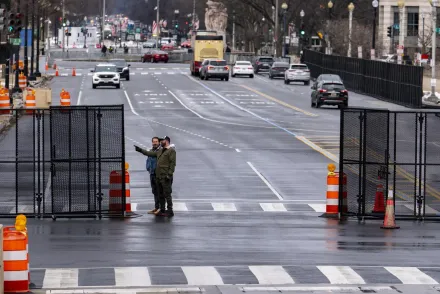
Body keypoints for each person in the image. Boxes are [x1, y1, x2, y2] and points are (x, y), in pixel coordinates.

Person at [135, 136, 176, 217]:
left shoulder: (171, 151)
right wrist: (140, 150)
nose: (161, 142)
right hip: (159, 176)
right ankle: (162, 210)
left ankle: (170, 210)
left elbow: (172, 163)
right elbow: (150, 153)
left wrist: (169, 174)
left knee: (167, 194)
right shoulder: (160, 150)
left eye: (162, 141)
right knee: (160, 194)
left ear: (166, 141)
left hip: (165, 176)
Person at [145, 137, 161, 214]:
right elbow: (148, 160)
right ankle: (156, 207)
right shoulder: (151, 151)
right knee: (154, 191)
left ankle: (161, 208)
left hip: (158, 174)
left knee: (159, 191)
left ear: (159, 142)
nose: (155, 143)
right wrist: (148, 168)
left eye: (156, 141)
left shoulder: (160, 151)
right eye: (153, 141)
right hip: (152, 173)